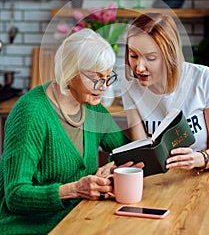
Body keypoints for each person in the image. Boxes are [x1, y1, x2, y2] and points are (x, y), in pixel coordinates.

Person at [0, 28, 142, 235]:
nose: (103, 87)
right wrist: (74, 190)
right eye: (96, 79)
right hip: (29, 228)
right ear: (70, 72)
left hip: (78, 220)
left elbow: (129, 151)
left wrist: (115, 164)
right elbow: (15, 195)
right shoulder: (31, 113)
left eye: (108, 77)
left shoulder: (93, 107)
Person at [121, 12, 209, 173]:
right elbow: (143, 150)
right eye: (133, 55)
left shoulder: (205, 79)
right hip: (163, 181)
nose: (139, 67)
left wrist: (198, 158)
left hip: (206, 177)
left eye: (150, 58)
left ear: (169, 55)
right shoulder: (131, 87)